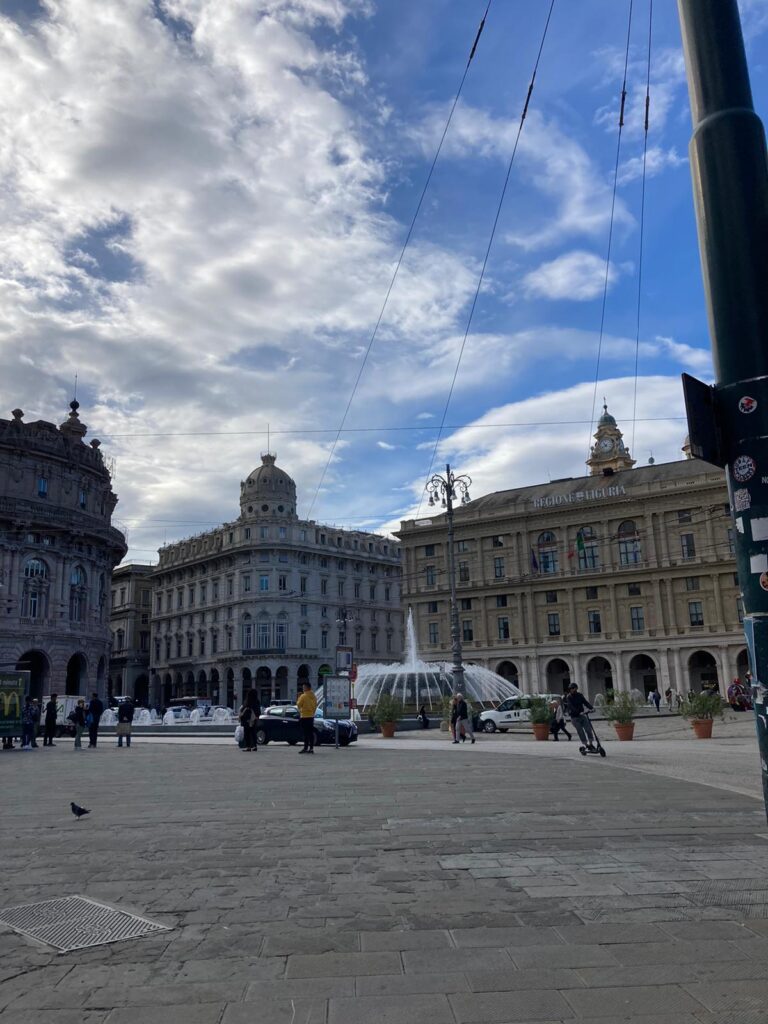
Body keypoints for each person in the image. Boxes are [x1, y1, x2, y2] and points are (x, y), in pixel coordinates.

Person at [563, 683, 596, 749]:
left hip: (582, 715)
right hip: (574, 717)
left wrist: (591, 708)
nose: (572, 690)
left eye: (573, 688)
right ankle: (586, 745)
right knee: (580, 731)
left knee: (588, 729)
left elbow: (585, 702)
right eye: (571, 689)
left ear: (576, 688)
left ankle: (591, 744)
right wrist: (578, 712)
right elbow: (571, 707)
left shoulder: (580, 695)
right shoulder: (569, 697)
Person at [297, 681, 317, 754]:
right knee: (310, 733)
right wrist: (312, 713)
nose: (303, 689)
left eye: (303, 687)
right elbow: (315, 706)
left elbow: (299, 705)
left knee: (305, 733)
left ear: (306, 688)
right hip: (311, 716)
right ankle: (311, 748)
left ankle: (305, 748)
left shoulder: (303, 696)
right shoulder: (314, 696)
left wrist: (298, 697)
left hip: (304, 717)